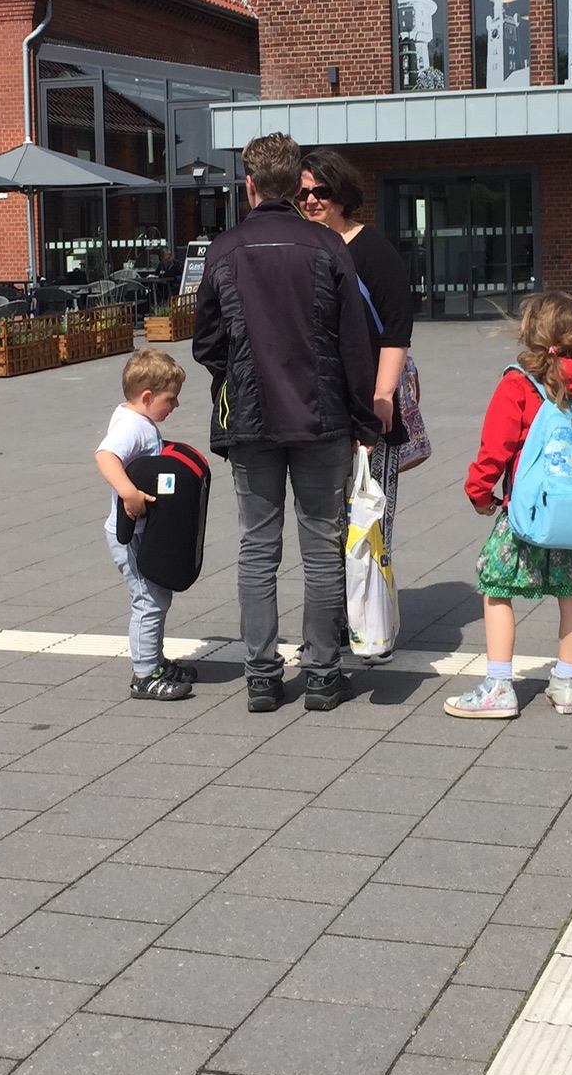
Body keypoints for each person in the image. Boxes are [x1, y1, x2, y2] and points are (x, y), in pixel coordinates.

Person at [193, 133, 381, 713]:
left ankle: (262, 676)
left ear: (249, 184)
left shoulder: (224, 250)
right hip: (321, 414)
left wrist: (239, 372)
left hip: (250, 418)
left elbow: (205, 343)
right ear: (297, 184)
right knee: (322, 547)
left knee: (257, 546)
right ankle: (323, 674)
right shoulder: (327, 245)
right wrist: (362, 420)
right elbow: (355, 344)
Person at [447, 292, 572, 720]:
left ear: (530, 334)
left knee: (496, 588)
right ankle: (565, 684)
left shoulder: (518, 384)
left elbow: (495, 448)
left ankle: (499, 686)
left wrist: (480, 491)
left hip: (524, 515)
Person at [299, 149, 415, 573]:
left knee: (369, 520)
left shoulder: (371, 248)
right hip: (321, 410)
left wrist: (383, 394)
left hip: (368, 407)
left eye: (321, 191)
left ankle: (370, 624)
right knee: (327, 526)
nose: (311, 200)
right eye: (303, 193)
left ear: (342, 195)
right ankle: (338, 617)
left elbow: (397, 325)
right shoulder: (303, 247)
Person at [93, 350, 196, 701]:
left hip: (140, 533)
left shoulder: (138, 419)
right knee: (148, 601)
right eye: (171, 398)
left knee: (156, 597)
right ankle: (144, 674)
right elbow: (105, 456)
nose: (177, 405)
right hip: (129, 535)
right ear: (147, 397)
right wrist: (128, 493)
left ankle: (155, 659)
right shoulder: (132, 426)